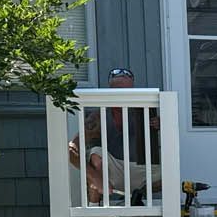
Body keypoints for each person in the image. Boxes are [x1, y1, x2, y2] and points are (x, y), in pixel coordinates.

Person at [67, 66, 161, 207]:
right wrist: (94, 176)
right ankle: (93, 211)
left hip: (144, 170)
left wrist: (163, 124)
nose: (122, 95)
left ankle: (137, 197)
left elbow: (170, 140)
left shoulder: (145, 111)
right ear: (109, 91)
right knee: (96, 153)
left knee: (171, 168)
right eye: (117, 90)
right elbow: (71, 150)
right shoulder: (98, 116)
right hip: (114, 170)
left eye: (126, 91)